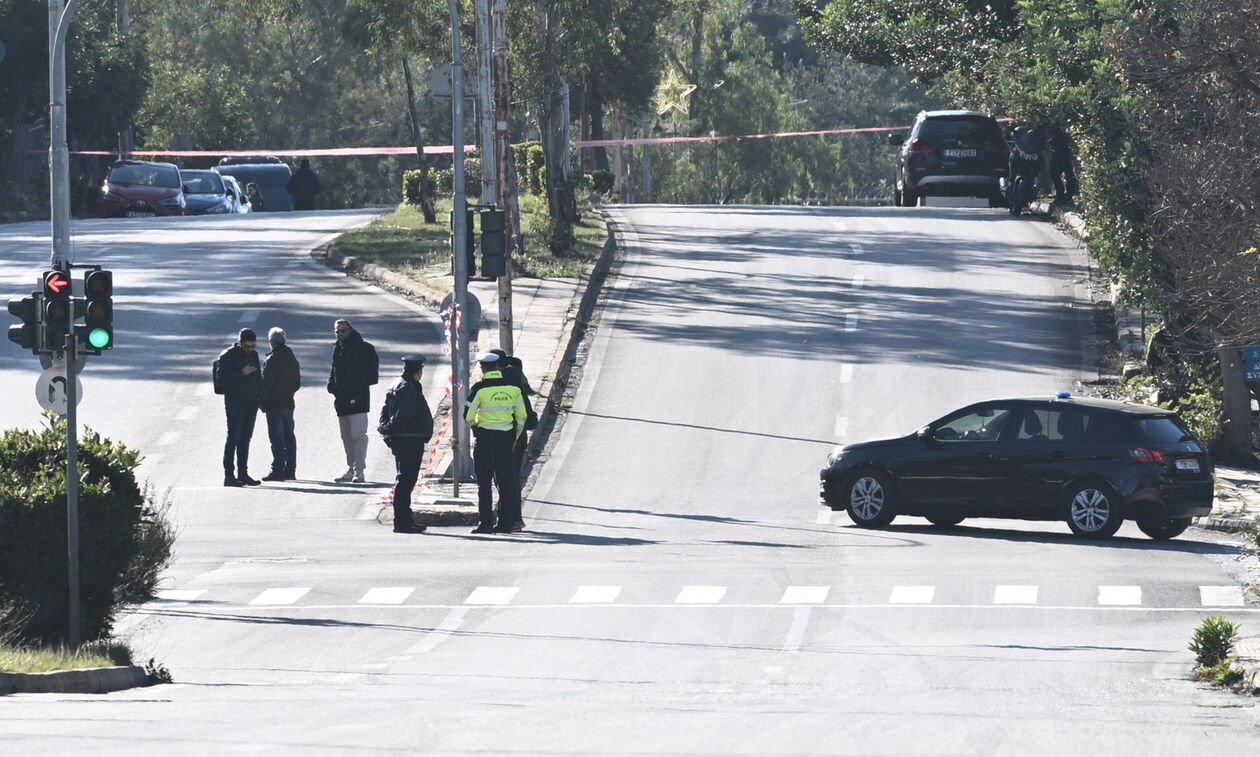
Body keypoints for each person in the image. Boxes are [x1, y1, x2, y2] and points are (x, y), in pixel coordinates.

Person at [465, 352, 528, 534]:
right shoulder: (513, 389)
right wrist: (514, 435)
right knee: (506, 482)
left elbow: (468, 417)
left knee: (484, 484)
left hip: (484, 440)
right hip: (506, 440)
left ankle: (485, 524)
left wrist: (477, 426)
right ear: (498, 367)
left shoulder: (478, 389)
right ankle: (506, 524)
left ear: (483, 368)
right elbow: (522, 417)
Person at [378, 356, 434, 534]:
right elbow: (401, 415)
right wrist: (388, 429)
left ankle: (406, 518)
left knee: (406, 480)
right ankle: (402, 521)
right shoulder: (407, 387)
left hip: (407, 438)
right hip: (409, 439)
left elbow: (385, 410)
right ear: (418, 371)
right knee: (405, 481)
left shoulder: (398, 384)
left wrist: (385, 429)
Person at [489, 348, 538, 530]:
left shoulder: (505, 385)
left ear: (498, 366)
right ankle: (512, 518)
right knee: (509, 479)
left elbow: (524, 416)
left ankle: (510, 519)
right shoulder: (513, 379)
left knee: (506, 480)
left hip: (510, 438)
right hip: (514, 437)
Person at [327, 319, 379, 483]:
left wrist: (350, 387)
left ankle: (360, 471)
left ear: (350, 330)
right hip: (341, 401)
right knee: (346, 437)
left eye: (343, 331)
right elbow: (334, 369)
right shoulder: (338, 348)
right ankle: (351, 468)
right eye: (338, 331)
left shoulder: (365, 349)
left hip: (358, 400)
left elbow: (372, 376)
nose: (340, 334)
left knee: (358, 436)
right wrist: (331, 385)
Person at [216, 328, 262, 487]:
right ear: (240, 342)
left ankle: (243, 473)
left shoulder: (254, 355)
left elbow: (258, 378)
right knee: (234, 438)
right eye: (246, 346)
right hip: (235, 403)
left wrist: (259, 398)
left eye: (252, 346)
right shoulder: (229, 355)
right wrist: (242, 373)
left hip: (251, 403)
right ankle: (229, 475)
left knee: (245, 439)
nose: (250, 349)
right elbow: (222, 380)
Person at [260, 327, 300, 481]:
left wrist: (262, 401)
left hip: (274, 405)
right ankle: (290, 470)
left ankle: (277, 470)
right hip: (289, 403)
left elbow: (266, 385)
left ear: (271, 342)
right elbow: (297, 383)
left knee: (277, 439)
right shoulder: (292, 358)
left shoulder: (272, 360)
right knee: (289, 437)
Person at [1047, 125, 1078, 205]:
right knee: (1069, 176)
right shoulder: (1065, 135)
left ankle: (1061, 195)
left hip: (1058, 156)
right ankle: (1067, 195)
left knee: (1055, 174)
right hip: (1065, 157)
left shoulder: (1056, 135)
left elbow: (1050, 143)